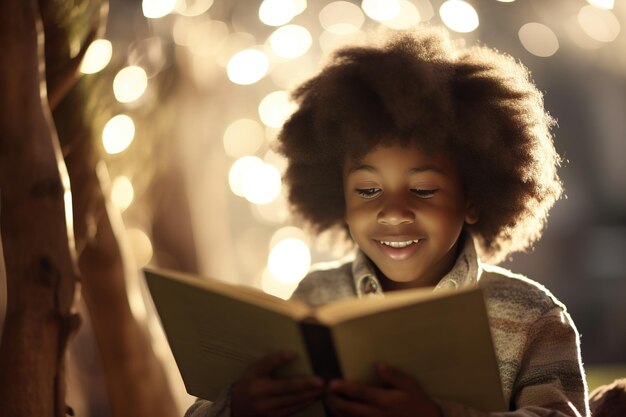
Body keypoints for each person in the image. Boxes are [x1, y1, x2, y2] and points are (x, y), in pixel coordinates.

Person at [186, 26, 589, 417]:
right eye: (367, 191)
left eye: (424, 190)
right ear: (337, 196)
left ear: (473, 197)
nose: (393, 211)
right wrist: (238, 407)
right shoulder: (314, 297)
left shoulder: (533, 317)